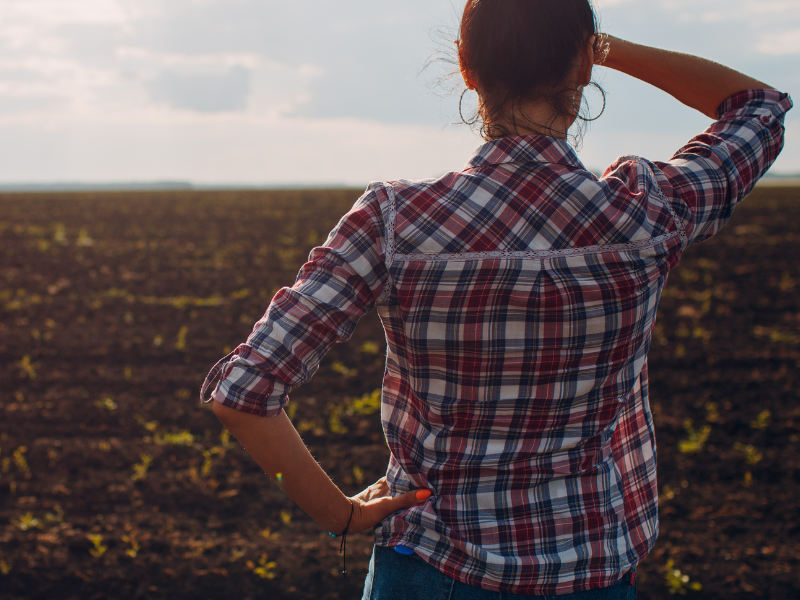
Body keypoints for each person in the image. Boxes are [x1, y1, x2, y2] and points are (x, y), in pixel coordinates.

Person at [200, 1, 792, 598]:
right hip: (591, 571)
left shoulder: (393, 221)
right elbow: (758, 107)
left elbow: (243, 395)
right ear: (584, 66)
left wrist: (340, 516)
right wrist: (601, 47)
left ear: (466, 67)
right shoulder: (645, 210)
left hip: (429, 569)